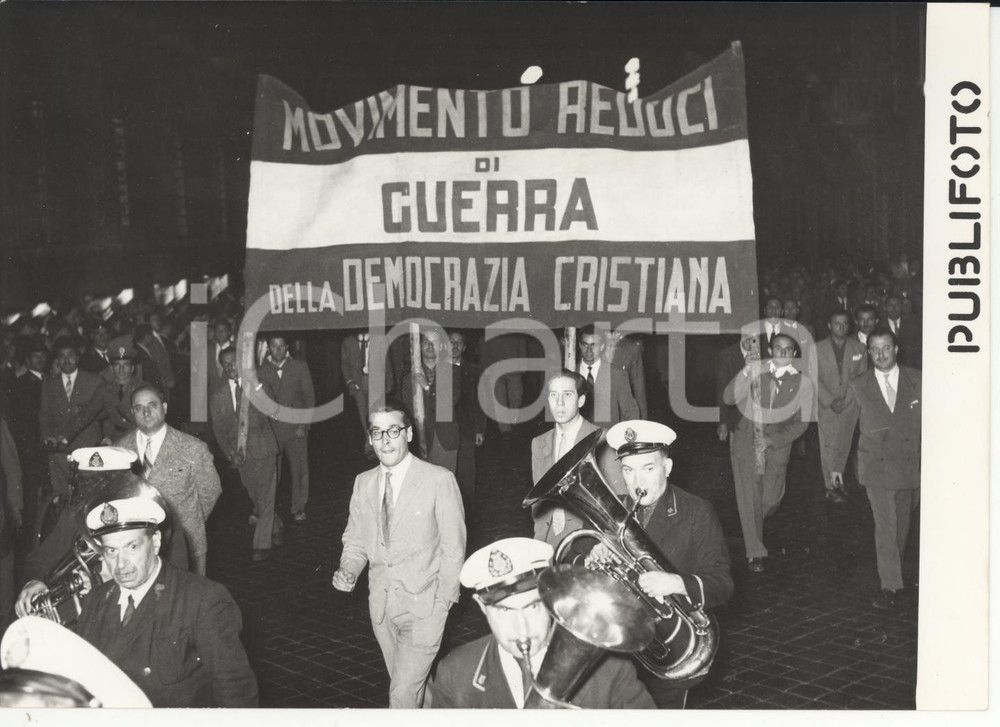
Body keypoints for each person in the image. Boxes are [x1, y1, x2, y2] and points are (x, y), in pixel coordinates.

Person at [332, 398, 466, 708]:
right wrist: (348, 569)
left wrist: (443, 602)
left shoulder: (438, 479)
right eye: (377, 433)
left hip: (425, 607)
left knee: (401, 696)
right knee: (413, 689)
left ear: (409, 434)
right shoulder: (363, 483)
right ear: (370, 439)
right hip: (382, 608)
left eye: (393, 431)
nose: (385, 440)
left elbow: (454, 546)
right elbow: (355, 541)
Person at [589, 420, 734, 708]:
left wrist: (677, 583)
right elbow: (575, 563)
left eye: (648, 468)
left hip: (666, 649)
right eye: (628, 470)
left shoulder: (696, 511)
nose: (637, 482)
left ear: (667, 467)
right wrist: (593, 556)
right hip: (614, 653)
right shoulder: (611, 512)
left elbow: (723, 584)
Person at [71, 483, 257, 706]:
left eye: (132, 547)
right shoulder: (96, 600)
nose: (121, 564)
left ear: (156, 542)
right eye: (111, 551)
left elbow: (235, 691)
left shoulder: (202, 599)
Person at [426, 537, 655, 709]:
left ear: (552, 598)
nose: (522, 628)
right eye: (505, 610)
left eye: (533, 606)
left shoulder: (610, 669)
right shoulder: (455, 673)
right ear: (481, 606)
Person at [723, 333, 813, 573]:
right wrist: (746, 370)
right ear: (771, 351)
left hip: (777, 448)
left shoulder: (803, 384)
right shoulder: (756, 371)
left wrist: (772, 440)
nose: (782, 352)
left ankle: (750, 523)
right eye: (778, 348)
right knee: (749, 498)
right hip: (746, 443)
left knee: (771, 499)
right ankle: (755, 553)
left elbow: (801, 424)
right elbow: (728, 398)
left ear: (794, 354)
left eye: (787, 349)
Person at [848, 328, 921, 610]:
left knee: (901, 524)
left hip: (908, 465)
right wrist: (834, 466)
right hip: (875, 466)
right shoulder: (859, 384)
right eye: (875, 349)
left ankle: (894, 571)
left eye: (886, 348)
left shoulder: (918, 380)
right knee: (886, 525)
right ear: (868, 353)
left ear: (896, 349)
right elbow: (844, 426)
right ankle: (889, 585)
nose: (881, 354)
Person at [118, 385, 221, 574]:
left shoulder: (192, 447)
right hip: (137, 546)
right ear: (132, 412)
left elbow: (210, 491)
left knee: (188, 592)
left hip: (185, 543)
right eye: (139, 408)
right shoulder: (121, 450)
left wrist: (187, 522)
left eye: (152, 405)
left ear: (164, 407)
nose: (146, 412)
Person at [529, 369, 623, 547]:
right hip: (547, 541)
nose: (559, 403)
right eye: (553, 395)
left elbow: (619, 502)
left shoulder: (603, 440)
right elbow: (539, 504)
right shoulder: (538, 443)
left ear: (581, 400)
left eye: (567, 394)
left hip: (588, 542)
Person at [210, 347, 283, 562]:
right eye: (226, 364)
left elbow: (272, 410)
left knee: (266, 495)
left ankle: (261, 543)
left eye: (234, 362)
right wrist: (230, 454)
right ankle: (276, 525)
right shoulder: (218, 395)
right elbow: (219, 432)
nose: (231, 367)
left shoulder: (258, 385)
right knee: (256, 496)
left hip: (263, 448)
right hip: (240, 455)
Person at [258, 333, 315, 522]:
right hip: (272, 430)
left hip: (295, 428)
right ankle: (268, 509)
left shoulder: (299, 367)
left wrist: (303, 425)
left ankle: (299, 506)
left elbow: (309, 398)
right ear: (268, 348)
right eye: (274, 346)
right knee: (271, 471)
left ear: (287, 347)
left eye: (282, 346)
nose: (278, 350)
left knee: (299, 469)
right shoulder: (261, 371)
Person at [39, 336, 103, 497]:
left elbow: (102, 414)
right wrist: (49, 439)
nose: (66, 359)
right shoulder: (49, 385)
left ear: (77, 358)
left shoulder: (94, 380)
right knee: (64, 497)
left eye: (70, 355)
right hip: (60, 453)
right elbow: (44, 417)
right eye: (62, 356)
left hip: (89, 448)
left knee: (92, 495)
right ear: (57, 360)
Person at [815, 310, 867, 503]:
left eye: (845, 323)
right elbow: (813, 377)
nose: (841, 327)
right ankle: (831, 487)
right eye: (837, 323)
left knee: (843, 444)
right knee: (828, 445)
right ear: (829, 326)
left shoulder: (859, 348)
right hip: (826, 404)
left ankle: (838, 481)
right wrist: (830, 401)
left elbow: (861, 378)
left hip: (850, 404)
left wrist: (846, 400)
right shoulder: (816, 348)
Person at [402, 330, 459, 471]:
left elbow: (451, 401)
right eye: (426, 342)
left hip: (445, 438)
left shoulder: (453, 372)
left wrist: (427, 387)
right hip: (420, 439)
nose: (430, 346)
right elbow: (406, 411)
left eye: (434, 342)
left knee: (446, 480)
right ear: (419, 346)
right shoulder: (409, 377)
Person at [446, 330, 486, 515]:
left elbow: (480, 402)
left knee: (466, 474)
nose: (454, 346)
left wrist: (480, 429)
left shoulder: (474, 371)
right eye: (451, 341)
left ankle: (468, 514)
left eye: (458, 342)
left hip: (466, 430)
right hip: (443, 431)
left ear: (464, 347)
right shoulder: (436, 368)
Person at [576, 325, 639, 428]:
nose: (589, 350)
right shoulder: (570, 373)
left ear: (601, 347)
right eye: (585, 345)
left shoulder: (617, 375)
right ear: (580, 345)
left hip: (606, 436)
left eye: (593, 345)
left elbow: (630, 413)